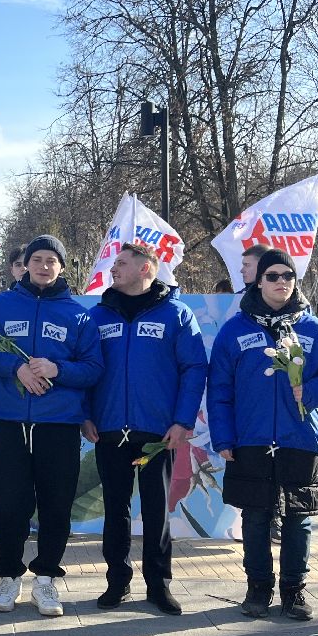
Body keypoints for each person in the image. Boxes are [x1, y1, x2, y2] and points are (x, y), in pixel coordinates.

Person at [207, 249, 318, 620]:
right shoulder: (235, 330)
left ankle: (294, 591)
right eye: (272, 276)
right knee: (255, 516)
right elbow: (219, 388)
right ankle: (258, 588)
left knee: (299, 518)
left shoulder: (315, 330)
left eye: (288, 275)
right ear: (258, 280)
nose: (281, 282)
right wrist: (223, 437)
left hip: (300, 438)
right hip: (250, 439)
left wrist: (310, 392)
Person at [0, 234, 103, 618]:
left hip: (58, 427)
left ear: (62, 267)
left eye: (52, 260)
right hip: (9, 423)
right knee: (6, 502)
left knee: (56, 504)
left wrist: (57, 369)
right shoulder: (0, 305)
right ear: (25, 264)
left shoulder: (79, 315)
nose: (44, 266)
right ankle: (9, 575)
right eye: (38, 259)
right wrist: (14, 368)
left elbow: (94, 369)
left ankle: (45, 579)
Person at [84, 243, 207, 615]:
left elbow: (194, 369)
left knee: (156, 510)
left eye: (121, 263)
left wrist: (182, 420)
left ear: (146, 270)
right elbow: (86, 369)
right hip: (107, 430)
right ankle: (117, 582)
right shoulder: (98, 315)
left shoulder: (178, 315)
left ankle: (159, 585)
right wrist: (86, 414)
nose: (113, 268)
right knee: (114, 509)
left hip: (156, 433)